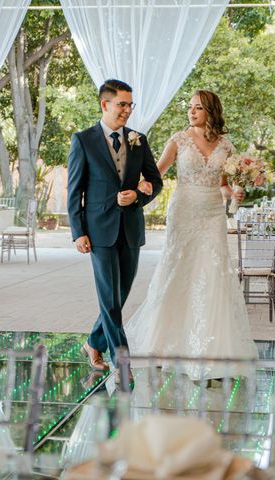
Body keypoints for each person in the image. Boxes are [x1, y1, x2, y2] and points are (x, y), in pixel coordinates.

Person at [125, 90, 258, 379]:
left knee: (212, 275)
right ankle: (163, 343)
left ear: (211, 111)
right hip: (184, 212)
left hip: (212, 214)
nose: (192, 112)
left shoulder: (226, 146)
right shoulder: (178, 140)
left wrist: (234, 192)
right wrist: (135, 186)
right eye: (190, 107)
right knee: (179, 270)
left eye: (198, 107)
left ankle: (209, 348)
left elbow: (222, 185)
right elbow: (155, 173)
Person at [67, 79, 163, 373]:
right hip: (99, 231)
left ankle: (93, 342)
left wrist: (138, 196)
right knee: (109, 298)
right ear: (104, 104)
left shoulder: (138, 139)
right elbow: (74, 190)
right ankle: (122, 361)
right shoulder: (83, 140)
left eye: (130, 105)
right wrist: (78, 231)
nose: (127, 110)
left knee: (119, 296)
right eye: (122, 104)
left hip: (131, 229)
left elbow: (156, 182)